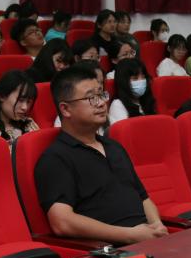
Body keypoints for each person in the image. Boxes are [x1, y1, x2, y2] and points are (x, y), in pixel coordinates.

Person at [35, 64, 168, 243]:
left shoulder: (114, 147)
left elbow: (143, 198)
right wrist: (130, 235)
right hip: (109, 250)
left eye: (101, 95)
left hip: (147, 240)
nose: (101, 103)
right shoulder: (55, 159)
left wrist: (157, 226)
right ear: (66, 109)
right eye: (91, 98)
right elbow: (62, 222)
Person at [108, 59, 155, 125]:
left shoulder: (145, 100)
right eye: (135, 78)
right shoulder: (118, 105)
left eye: (143, 77)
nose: (141, 81)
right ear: (124, 82)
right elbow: (122, 130)